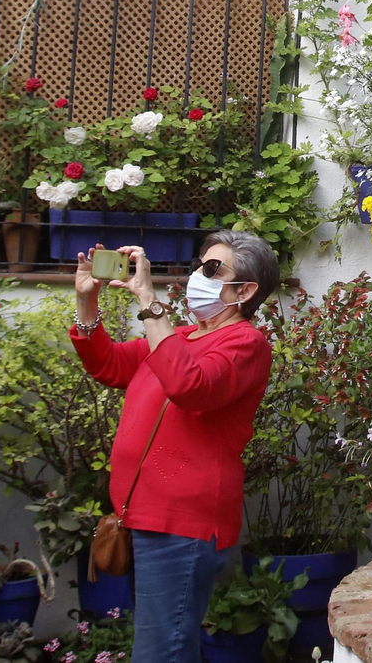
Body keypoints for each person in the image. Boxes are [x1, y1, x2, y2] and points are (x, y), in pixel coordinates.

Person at [70, 230, 278, 663]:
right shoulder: (178, 337)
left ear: (244, 291)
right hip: (143, 516)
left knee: (161, 653)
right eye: (199, 264)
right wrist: (86, 302)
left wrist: (149, 301)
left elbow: (189, 386)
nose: (197, 274)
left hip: (182, 526)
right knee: (164, 648)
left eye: (212, 269)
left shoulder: (247, 344)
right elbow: (108, 364)